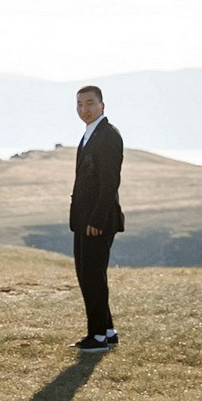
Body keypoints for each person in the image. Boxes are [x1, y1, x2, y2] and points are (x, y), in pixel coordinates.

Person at [69, 84, 124, 352]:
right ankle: (108, 331)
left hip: (96, 221)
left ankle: (98, 336)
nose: (85, 109)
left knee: (91, 276)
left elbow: (110, 182)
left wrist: (96, 220)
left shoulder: (109, 135)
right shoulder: (90, 133)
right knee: (89, 274)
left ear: (102, 105)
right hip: (84, 219)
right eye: (80, 104)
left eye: (90, 103)